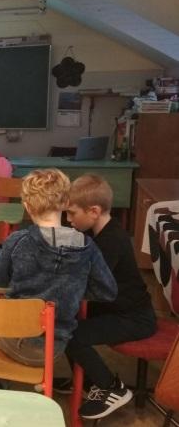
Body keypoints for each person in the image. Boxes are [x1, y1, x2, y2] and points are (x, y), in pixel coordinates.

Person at [0, 169, 117, 368]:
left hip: (11, 340)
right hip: (53, 348)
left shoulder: (17, 241)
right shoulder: (87, 246)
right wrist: (75, 288)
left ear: (27, 207)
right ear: (66, 203)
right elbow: (107, 291)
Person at [65, 174, 156, 420]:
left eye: (72, 213)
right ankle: (87, 384)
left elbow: (87, 282)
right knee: (65, 322)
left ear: (93, 211)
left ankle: (110, 386)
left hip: (133, 318)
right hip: (114, 308)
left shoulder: (111, 241)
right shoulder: (99, 232)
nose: (68, 219)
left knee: (70, 334)